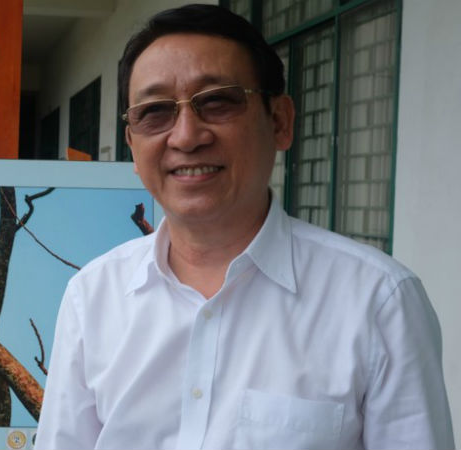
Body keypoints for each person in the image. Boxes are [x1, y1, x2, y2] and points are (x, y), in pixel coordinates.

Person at [35, 4, 455, 449]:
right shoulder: (92, 297)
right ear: (133, 146)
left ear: (280, 122)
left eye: (217, 101)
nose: (186, 137)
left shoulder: (378, 303)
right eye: (155, 111)